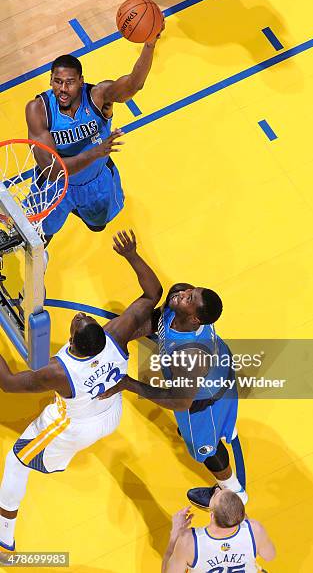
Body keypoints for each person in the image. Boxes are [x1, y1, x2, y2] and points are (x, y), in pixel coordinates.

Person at [0, 229, 162, 554]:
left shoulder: (59, 373)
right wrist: (131, 255)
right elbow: (152, 294)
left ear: (74, 343)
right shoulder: (115, 336)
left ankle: (4, 536)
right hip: (110, 412)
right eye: (85, 318)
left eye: (78, 322)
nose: (80, 316)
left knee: (17, 460)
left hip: (77, 426)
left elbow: (8, 383)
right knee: (68, 412)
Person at [99, 282, 248, 509]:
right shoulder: (177, 303)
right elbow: (159, 323)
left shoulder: (189, 355)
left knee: (207, 448)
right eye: (191, 292)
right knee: (210, 425)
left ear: (195, 319)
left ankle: (232, 488)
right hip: (219, 372)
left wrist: (128, 384)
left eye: (189, 298)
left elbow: (180, 401)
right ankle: (217, 427)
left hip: (203, 402)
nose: (183, 294)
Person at [25, 30, 163, 244]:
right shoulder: (38, 109)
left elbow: (134, 84)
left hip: (95, 180)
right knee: (39, 238)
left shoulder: (100, 97)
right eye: (57, 82)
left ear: (81, 81)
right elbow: (53, 172)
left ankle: (79, 208)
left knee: (97, 225)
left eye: (69, 82)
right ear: (51, 80)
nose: (63, 89)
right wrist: (96, 152)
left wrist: (149, 44)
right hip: (56, 188)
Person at [162, 489, 276, 572]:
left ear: (212, 516)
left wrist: (175, 533)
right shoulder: (255, 529)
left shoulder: (189, 540)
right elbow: (270, 556)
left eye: (215, 494)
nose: (216, 488)